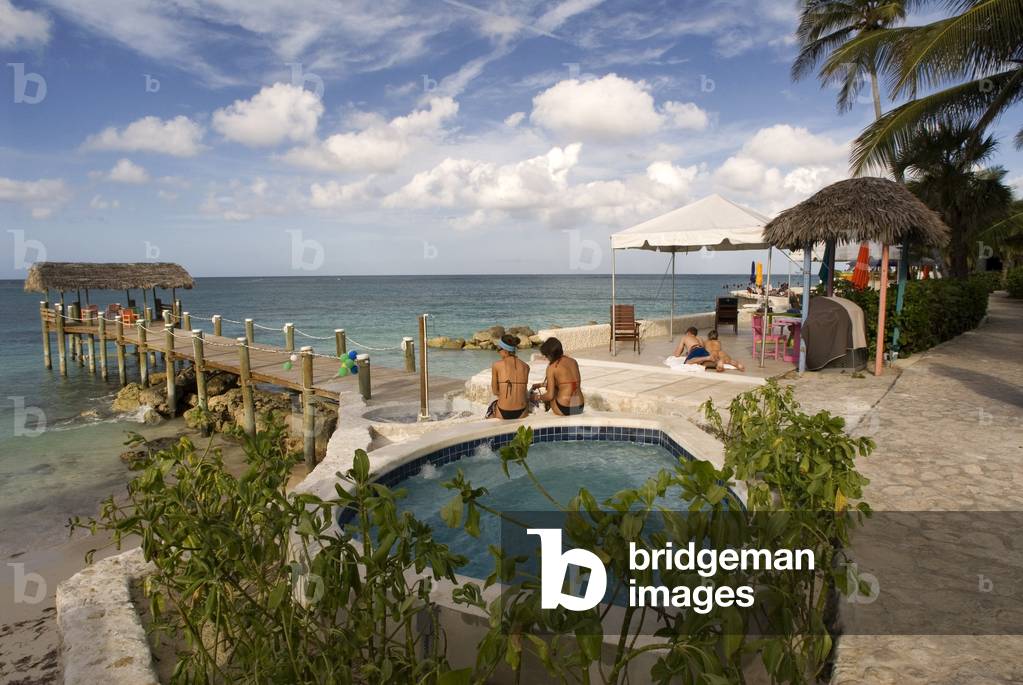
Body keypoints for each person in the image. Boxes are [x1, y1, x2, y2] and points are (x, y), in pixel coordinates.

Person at [531, 337, 584, 416]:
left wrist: (536, 397)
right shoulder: (573, 361)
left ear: (550, 354)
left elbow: (550, 396)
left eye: (546, 355)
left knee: (551, 392)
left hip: (564, 408)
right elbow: (566, 383)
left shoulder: (552, 367)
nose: (546, 357)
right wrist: (540, 384)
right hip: (579, 406)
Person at [488, 334, 530, 419]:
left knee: (491, 407)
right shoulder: (526, 366)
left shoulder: (496, 365)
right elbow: (523, 391)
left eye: (499, 349)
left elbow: (495, 391)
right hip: (522, 410)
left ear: (505, 350)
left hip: (503, 409)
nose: (497, 352)